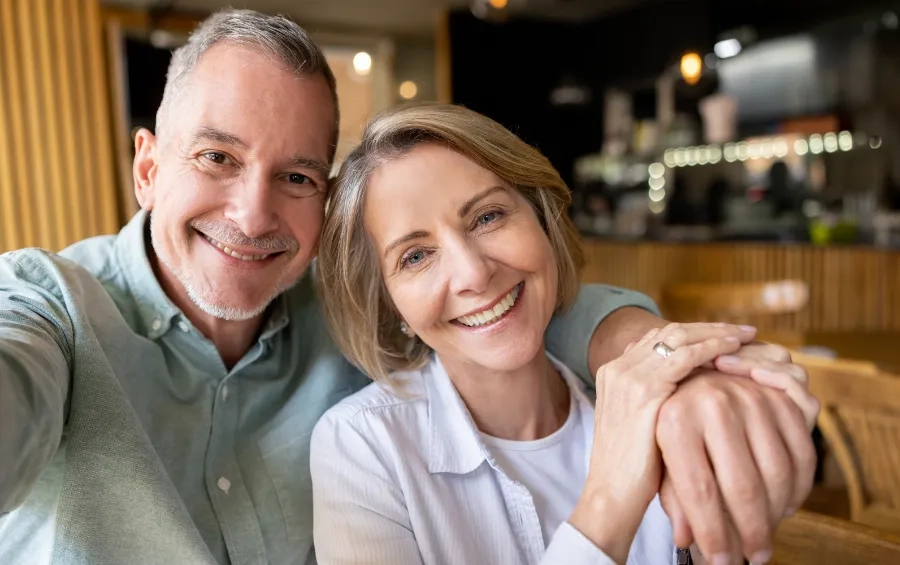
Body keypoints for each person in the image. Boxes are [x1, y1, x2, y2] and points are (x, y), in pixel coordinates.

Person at [0, 9, 815, 565]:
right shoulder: (49, 309)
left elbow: (518, 317)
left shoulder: (344, 309)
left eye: (296, 175)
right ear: (147, 167)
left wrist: (651, 357)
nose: (253, 213)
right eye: (216, 157)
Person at [310, 104, 819, 565]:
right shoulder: (361, 446)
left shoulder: (659, 402)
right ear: (389, 300)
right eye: (415, 256)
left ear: (543, 222)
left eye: (488, 216)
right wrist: (610, 498)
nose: (472, 274)